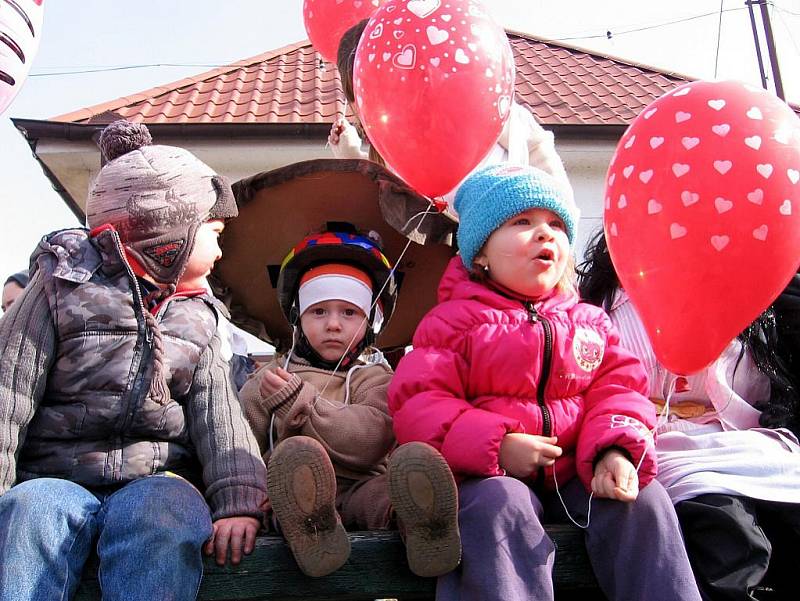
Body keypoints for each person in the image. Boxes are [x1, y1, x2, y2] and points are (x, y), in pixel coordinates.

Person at [388, 163, 702, 601]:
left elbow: (620, 390)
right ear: (479, 252)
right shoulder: (452, 323)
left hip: (577, 470)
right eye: (522, 222)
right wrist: (495, 445)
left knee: (641, 503)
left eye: (556, 224)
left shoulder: (590, 321)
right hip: (487, 476)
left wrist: (614, 449)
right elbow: (419, 403)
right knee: (500, 508)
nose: (544, 233)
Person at [0, 120, 269, 601]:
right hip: (54, 475)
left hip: (153, 479)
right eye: (214, 232)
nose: (222, 247)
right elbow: (9, 392)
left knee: (166, 515)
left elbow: (218, 417)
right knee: (29, 514)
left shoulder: (198, 317)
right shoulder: (61, 288)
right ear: (169, 237)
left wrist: (238, 503)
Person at [579, 230, 800, 601]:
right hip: (665, 447)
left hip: (752, 447)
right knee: (730, 536)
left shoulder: (753, 297)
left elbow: (763, 390)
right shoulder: (604, 307)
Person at [240, 225, 460, 578]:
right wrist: (250, 498)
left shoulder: (375, 379)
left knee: (384, 493)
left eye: (349, 313)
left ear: (371, 321)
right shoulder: (268, 381)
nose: (333, 325)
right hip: (295, 494)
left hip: (360, 485)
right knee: (293, 470)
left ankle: (422, 525)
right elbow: (242, 446)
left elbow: (370, 442)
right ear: (297, 317)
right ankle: (315, 533)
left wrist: (301, 403)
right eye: (318, 312)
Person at [328, 20, 573, 210]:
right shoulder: (390, 148)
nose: (371, 101)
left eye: (378, 83)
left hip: (509, 263)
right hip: (440, 272)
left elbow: (546, 169)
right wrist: (350, 157)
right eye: (360, 94)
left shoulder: (484, 108)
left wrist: (559, 230)